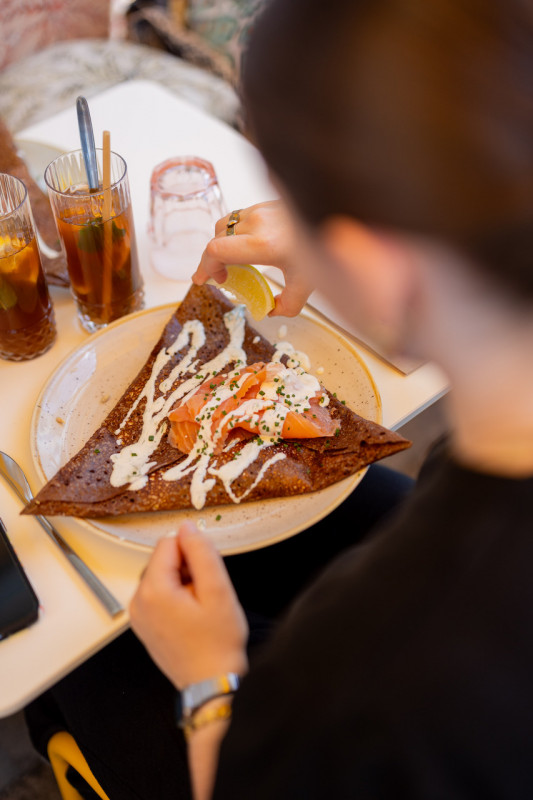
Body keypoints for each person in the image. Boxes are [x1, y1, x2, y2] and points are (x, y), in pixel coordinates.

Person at [26, 0, 533, 797]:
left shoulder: (363, 703)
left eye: (286, 195)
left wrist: (209, 678)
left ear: (372, 262)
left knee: (90, 653)